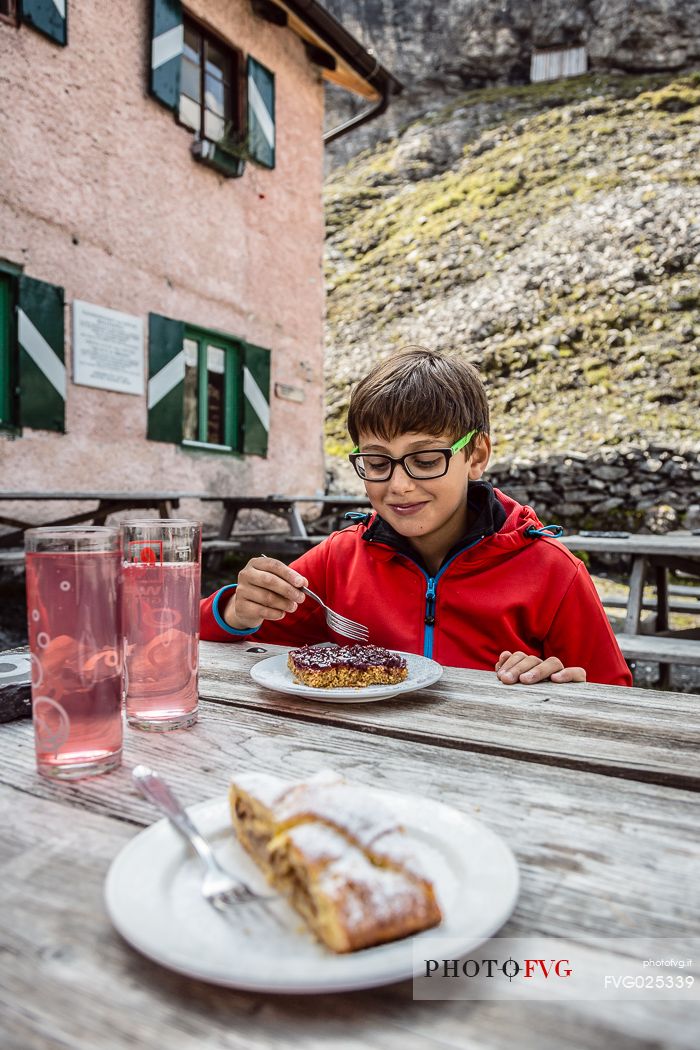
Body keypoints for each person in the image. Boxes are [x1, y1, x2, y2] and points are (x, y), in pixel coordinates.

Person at [200, 348, 632, 686]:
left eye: (425, 460)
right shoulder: (339, 560)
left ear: (476, 455)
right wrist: (238, 609)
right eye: (376, 462)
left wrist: (561, 683)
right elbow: (205, 638)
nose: (399, 486)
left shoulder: (553, 573)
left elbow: (613, 698)